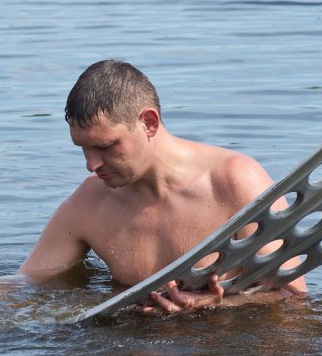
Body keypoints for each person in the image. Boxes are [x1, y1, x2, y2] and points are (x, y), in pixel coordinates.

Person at [16, 59, 305, 314]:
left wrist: (218, 305)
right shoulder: (89, 203)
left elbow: (293, 297)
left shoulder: (234, 181)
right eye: (83, 149)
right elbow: (25, 283)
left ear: (149, 123)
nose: (91, 164)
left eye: (105, 146)